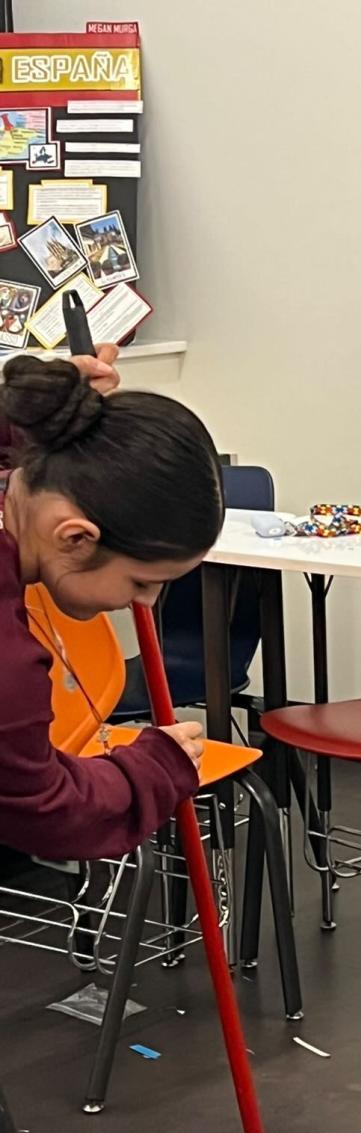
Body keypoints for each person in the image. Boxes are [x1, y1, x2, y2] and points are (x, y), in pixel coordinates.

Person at [0, 351, 224, 863]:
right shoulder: (7, 661)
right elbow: (48, 810)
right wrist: (154, 768)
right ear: (76, 537)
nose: (144, 601)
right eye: (142, 581)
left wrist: (40, 414)